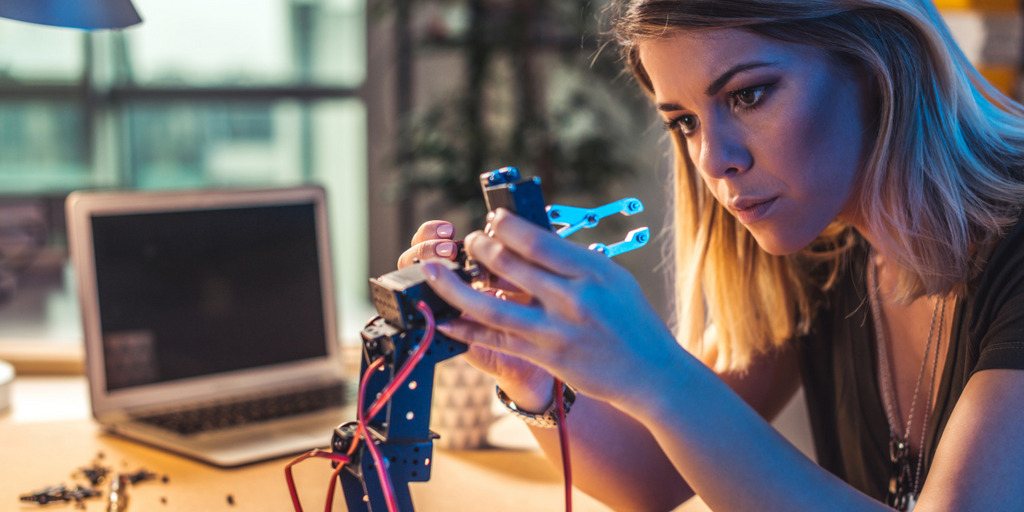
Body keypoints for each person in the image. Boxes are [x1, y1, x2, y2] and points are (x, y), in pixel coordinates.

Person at [399, 1, 1024, 510]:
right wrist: (528, 372)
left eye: (748, 95)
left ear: (875, 61)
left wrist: (655, 370)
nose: (712, 159)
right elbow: (649, 476)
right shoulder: (825, 248)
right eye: (684, 122)